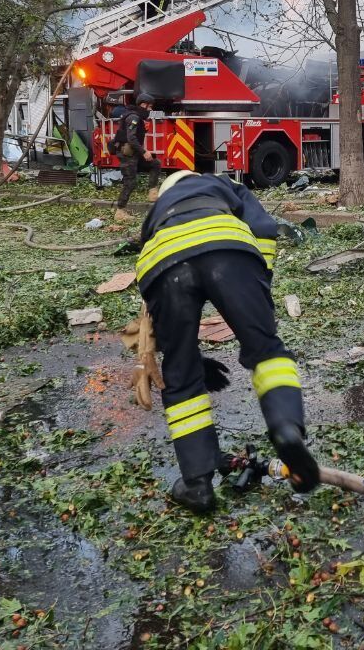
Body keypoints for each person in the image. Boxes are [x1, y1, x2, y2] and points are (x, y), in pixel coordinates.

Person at [136, 169, 317, 513]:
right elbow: (263, 228)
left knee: (180, 374)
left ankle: (197, 485)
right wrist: (256, 287)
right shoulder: (223, 184)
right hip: (230, 250)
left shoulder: (158, 209)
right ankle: (286, 429)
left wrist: (187, 355)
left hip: (163, 264)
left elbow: (152, 301)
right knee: (267, 351)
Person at [112, 93, 160, 221]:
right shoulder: (133, 117)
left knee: (155, 163)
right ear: (143, 105)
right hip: (127, 155)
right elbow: (131, 138)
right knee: (130, 182)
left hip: (134, 154)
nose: (150, 110)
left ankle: (153, 193)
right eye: (149, 107)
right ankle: (120, 212)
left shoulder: (136, 116)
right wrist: (144, 152)